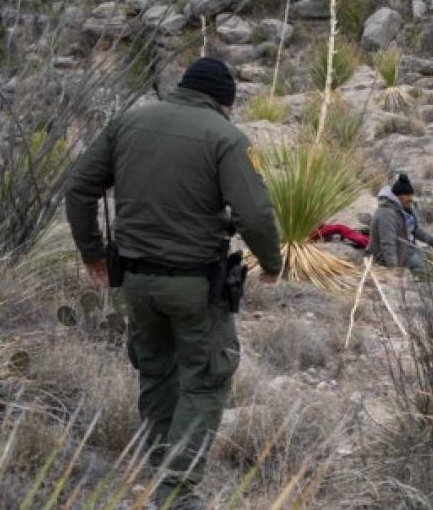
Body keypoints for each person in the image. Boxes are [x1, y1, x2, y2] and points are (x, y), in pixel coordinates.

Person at [65, 57, 282, 508]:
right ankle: (176, 494)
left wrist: (91, 252)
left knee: (157, 372)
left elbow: (80, 188)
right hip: (194, 286)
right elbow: (255, 214)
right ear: (224, 102)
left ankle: (158, 467)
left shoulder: (129, 121)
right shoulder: (226, 137)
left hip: (136, 283)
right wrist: (272, 263)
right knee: (204, 382)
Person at [369, 173, 433, 270]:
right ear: (398, 196)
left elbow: (415, 229)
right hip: (392, 256)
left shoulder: (406, 208)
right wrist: (394, 269)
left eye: (411, 195)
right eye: (407, 195)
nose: (411, 199)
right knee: (425, 270)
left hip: (406, 249)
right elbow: (387, 244)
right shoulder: (386, 214)